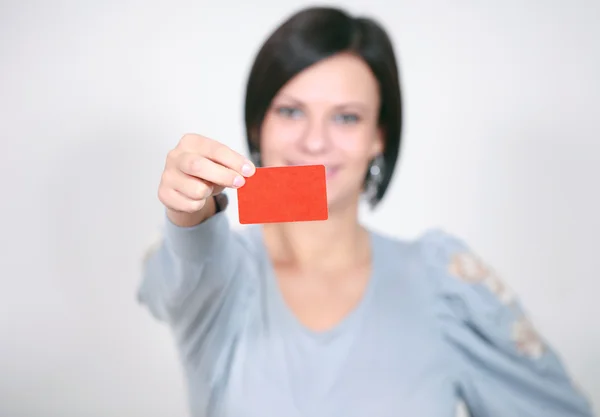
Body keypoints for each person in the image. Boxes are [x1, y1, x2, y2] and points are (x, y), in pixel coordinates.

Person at [138, 6, 594, 417]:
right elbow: (182, 272)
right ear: (259, 125)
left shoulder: (445, 283)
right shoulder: (219, 283)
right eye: (292, 111)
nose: (315, 141)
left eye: (346, 117)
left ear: (379, 135)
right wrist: (190, 214)